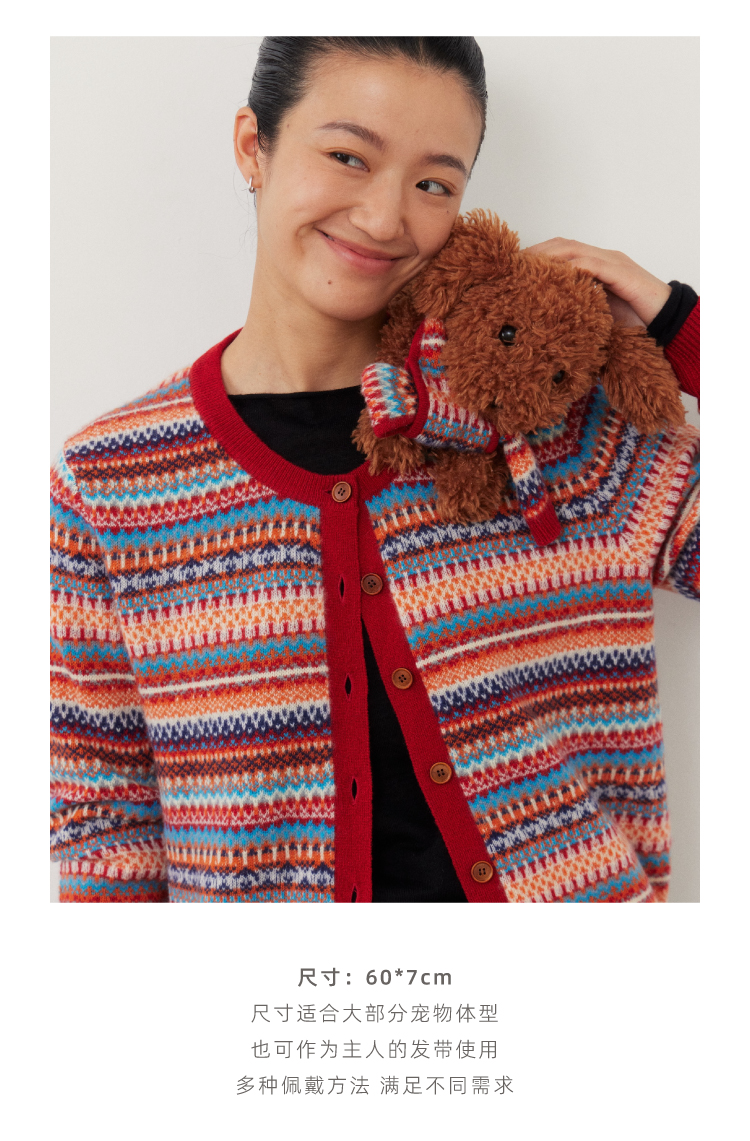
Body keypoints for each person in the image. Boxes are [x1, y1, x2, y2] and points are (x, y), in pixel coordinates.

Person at [50, 37, 699, 903]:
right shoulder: (111, 484)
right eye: (348, 157)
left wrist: (680, 327)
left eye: (434, 183)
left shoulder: (553, 429)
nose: (388, 217)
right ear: (253, 146)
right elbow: (106, 836)